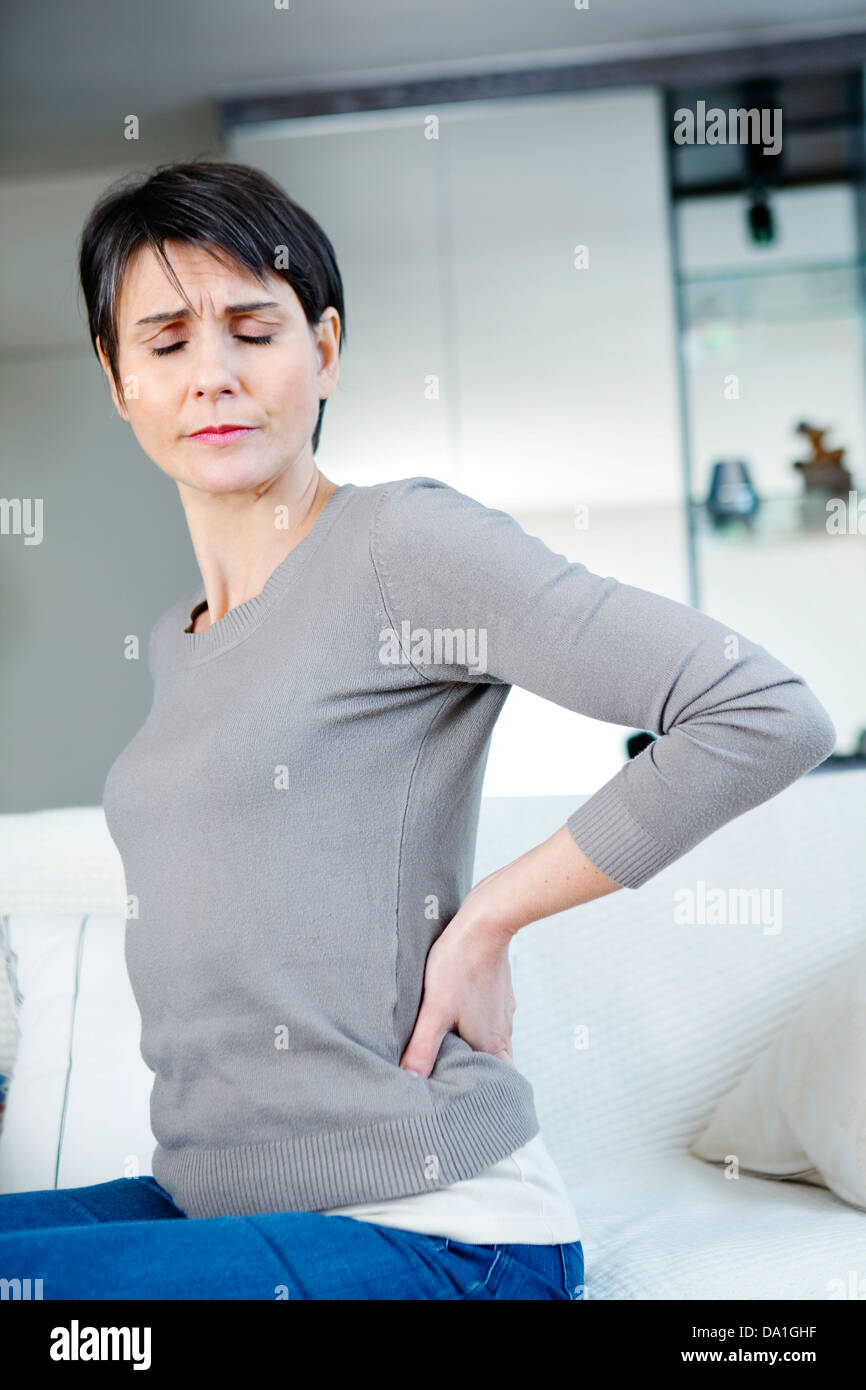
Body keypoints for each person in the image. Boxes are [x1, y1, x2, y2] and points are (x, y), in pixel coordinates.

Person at [0, 160, 836, 1300]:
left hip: (438, 1234)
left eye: (255, 328)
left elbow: (762, 708)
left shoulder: (401, 546)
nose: (214, 376)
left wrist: (489, 917)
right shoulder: (179, 641)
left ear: (325, 349)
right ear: (115, 377)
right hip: (210, 1199)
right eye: (165, 343)